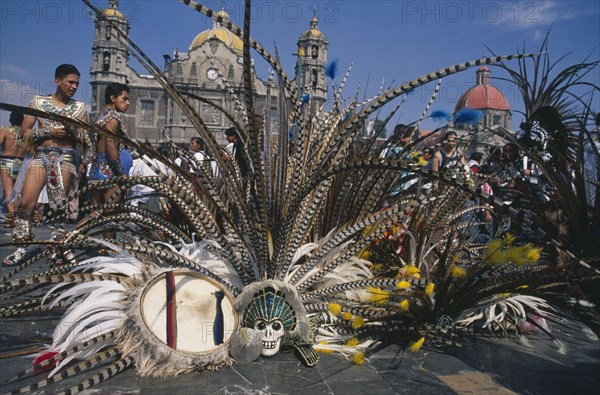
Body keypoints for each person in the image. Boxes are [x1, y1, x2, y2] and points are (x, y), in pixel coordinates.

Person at [12, 64, 88, 244]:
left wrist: (73, 130)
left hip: (66, 157)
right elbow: (24, 131)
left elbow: (86, 140)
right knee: (26, 202)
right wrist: (48, 133)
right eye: (70, 82)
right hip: (41, 155)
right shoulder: (38, 102)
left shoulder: (80, 108)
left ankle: (57, 245)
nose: (74, 87)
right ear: (58, 81)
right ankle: (21, 244)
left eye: (77, 83)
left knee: (58, 205)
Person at [86, 83, 130, 240]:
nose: (128, 103)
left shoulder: (100, 114)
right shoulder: (112, 117)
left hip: (96, 169)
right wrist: (121, 172)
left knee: (96, 213)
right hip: (109, 172)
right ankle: (110, 249)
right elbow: (111, 145)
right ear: (113, 98)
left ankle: (67, 239)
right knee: (111, 214)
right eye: (124, 99)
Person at [0, 111, 25, 228]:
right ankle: (17, 217)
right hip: (21, 162)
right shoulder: (27, 134)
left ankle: (11, 218)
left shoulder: (4, 130)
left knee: (8, 191)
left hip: (7, 161)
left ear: (11, 120)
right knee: (17, 192)